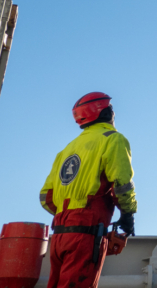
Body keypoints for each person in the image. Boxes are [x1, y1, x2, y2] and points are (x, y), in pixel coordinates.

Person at [40, 92, 137, 288]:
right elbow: (122, 184)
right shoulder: (113, 139)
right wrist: (128, 215)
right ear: (106, 112)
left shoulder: (67, 150)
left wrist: (68, 213)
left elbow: (46, 197)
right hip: (86, 233)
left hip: (59, 235)